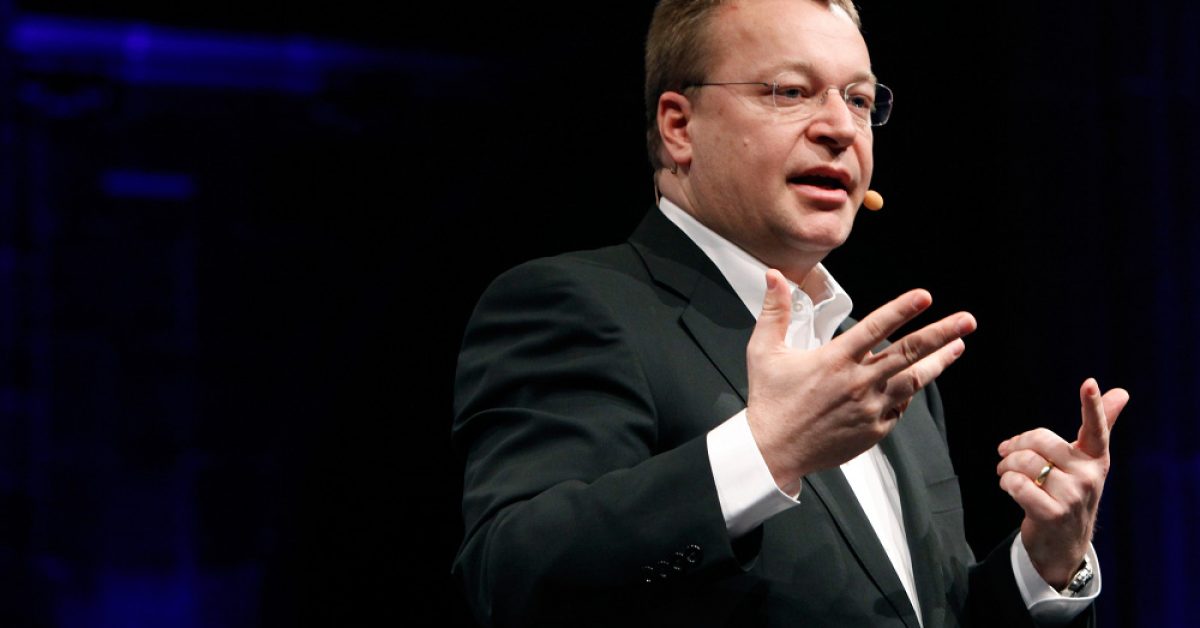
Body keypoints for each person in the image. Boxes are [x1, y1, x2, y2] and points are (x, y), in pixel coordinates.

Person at [452, 1, 1128, 626]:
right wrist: (765, 452)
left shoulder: (881, 374)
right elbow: (511, 577)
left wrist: (1045, 565)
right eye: (789, 91)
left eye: (859, 99)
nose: (840, 129)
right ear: (680, 126)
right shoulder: (576, 305)